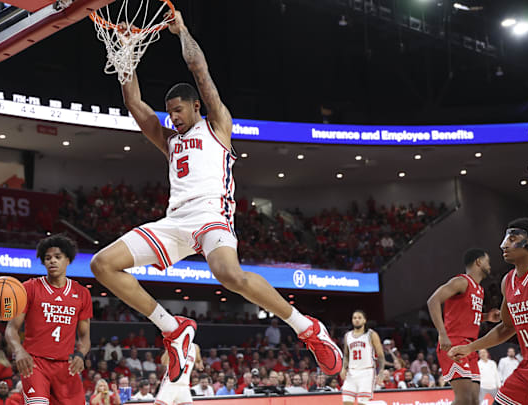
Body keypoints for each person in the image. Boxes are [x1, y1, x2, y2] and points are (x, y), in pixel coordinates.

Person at [89, 7, 343, 385]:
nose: (172, 117)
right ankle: (173, 329)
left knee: (228, 274)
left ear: (194, 107)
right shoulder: (169, 140)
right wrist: (125, 54)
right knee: (101, 265)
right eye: (169, 112)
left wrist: (182, 32)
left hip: (213, 216)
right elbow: (135, 105)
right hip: (175, 221)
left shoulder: (218, 125)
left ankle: (308, 329)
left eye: (178, 110)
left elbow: (200, 72)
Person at [449, 218, 528, 405]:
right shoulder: (508, 281)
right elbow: (506, 328)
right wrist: (470, 347)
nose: (503, 245)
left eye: (512, 239)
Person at [5, 235, 92, 405]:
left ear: (68, 260)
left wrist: (81, 355)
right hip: (35, 363)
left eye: (57, 257)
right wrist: (19, 350)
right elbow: (11, 329)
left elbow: (85, 337)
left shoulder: (82, 293)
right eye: (48, 258)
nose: (52, 261)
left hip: (66, 366)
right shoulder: (29, 288)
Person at [427, 248, 490, 405]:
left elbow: (466, 316)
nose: (490, 266)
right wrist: (442, 334)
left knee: (475, 400)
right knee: (464, 399)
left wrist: (486, 317)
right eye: (488, 262)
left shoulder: (480, 290)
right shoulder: (461, 281)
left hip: (470, 347)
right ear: (479, 262)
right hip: (454, 343)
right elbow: (433, 301)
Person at [340, 310, 385, 405]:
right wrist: (343, 368)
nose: (357, 320)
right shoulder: (347, 336)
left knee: (362, 403)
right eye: (354, 318)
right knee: (346, 402)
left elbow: (380, 355)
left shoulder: (371, 334)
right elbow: (346, 355)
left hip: (366, 372)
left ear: (364, 320)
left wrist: (381, 372)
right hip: (351, 373)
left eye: (359, 318)